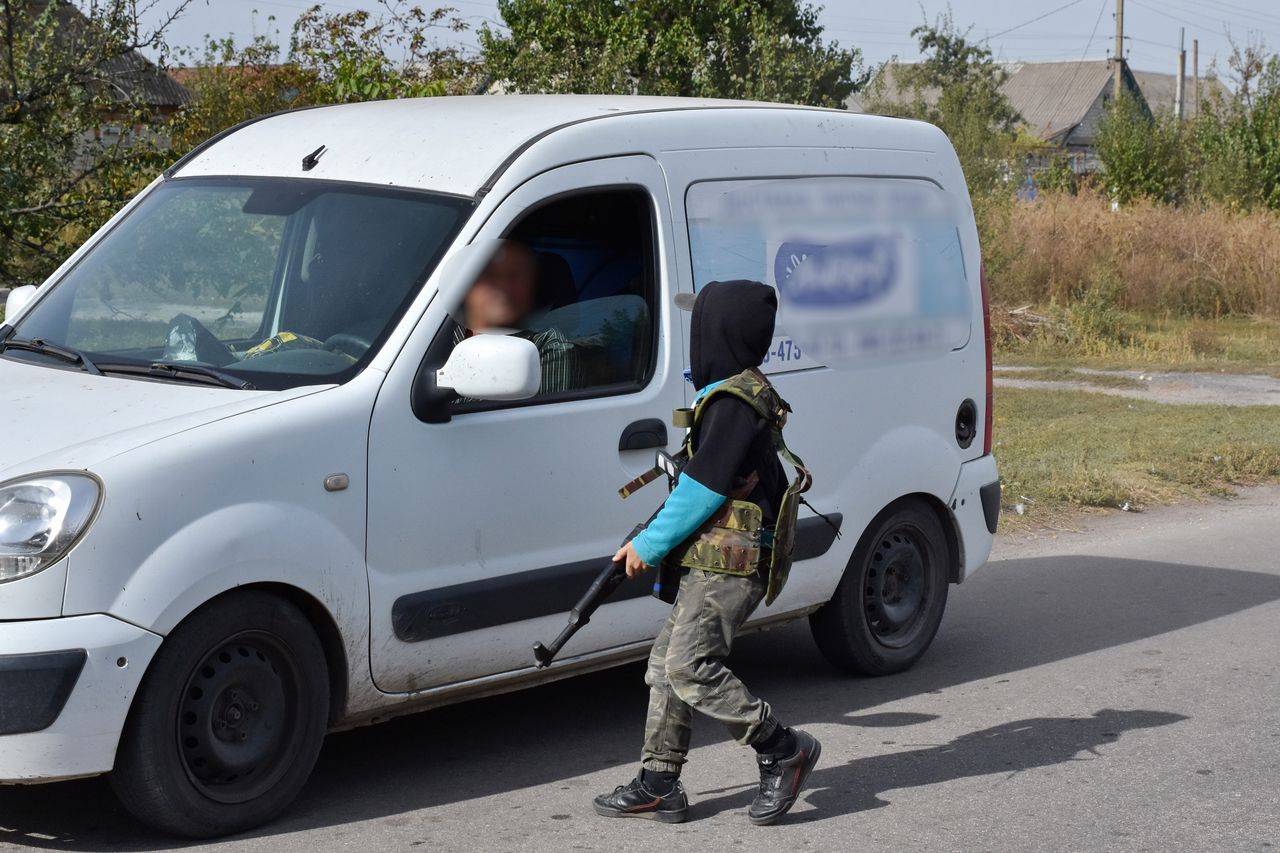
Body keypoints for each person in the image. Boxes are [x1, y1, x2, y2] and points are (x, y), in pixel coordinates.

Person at [593, 280, 821, 826]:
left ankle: (782, 750)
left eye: (701, 324)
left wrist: (647, 546)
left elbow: (702, 490)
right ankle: (658, 782)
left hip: (732, 561)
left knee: (690, 666)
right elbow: (702, 478)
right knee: (665, 668)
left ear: (718, 330)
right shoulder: (733, 395)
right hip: (715, 556)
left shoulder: (733, 402)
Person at [453, 240, 584, 395]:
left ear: (535, 288)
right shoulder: (434, 332)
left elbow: (537, 417)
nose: (503, 286)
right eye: (490, 274)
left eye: (516, 275)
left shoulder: (549, 346)